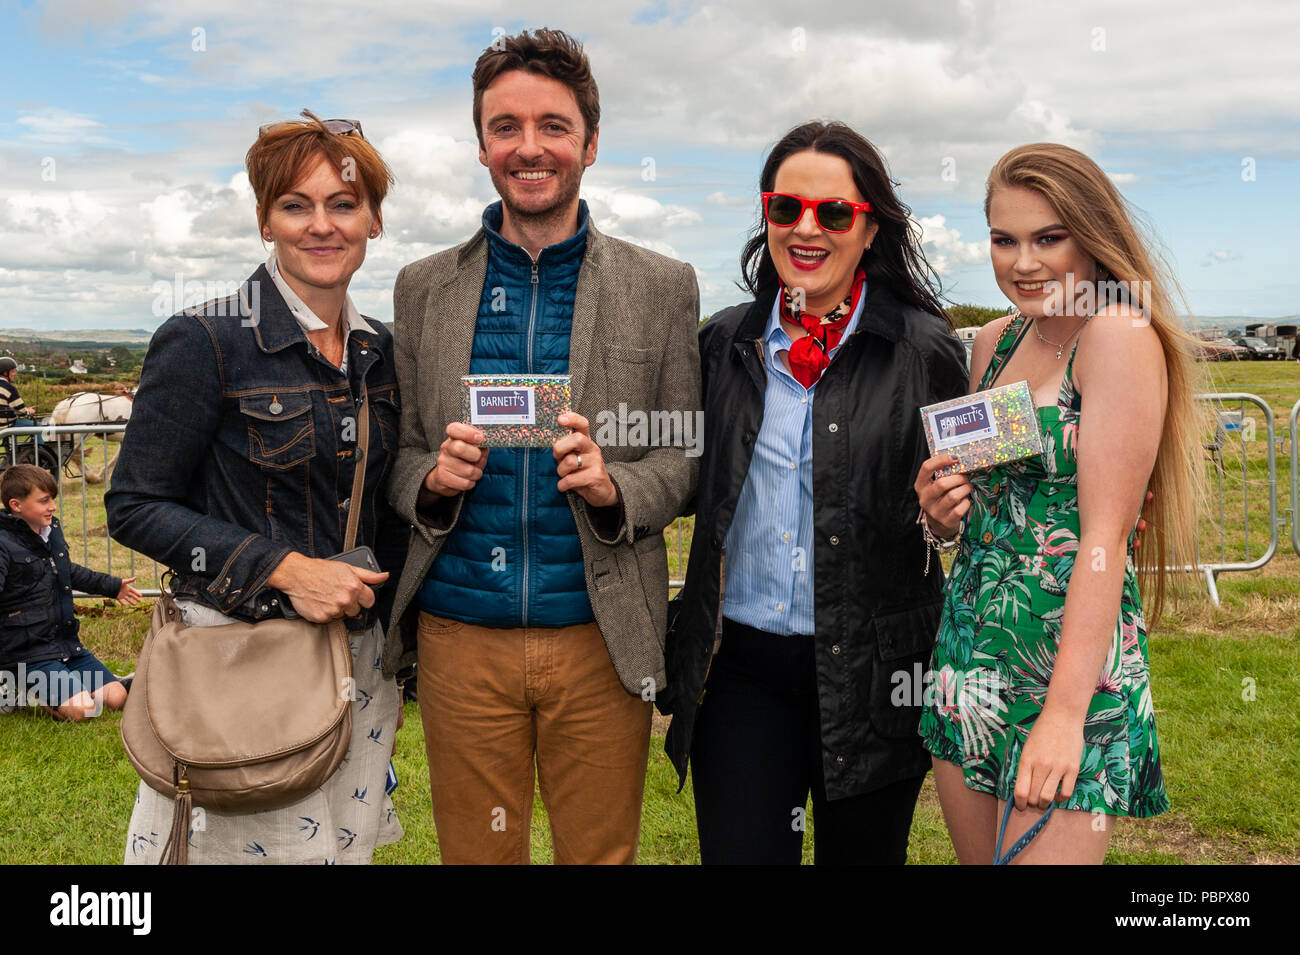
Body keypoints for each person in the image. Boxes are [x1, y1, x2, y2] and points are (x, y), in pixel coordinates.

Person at [385, 28, 701, 865]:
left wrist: (616, 487)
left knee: (600, 856)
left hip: (601, 634)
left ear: (591, 145)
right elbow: (400, 453)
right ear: (482, 144)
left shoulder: (662, 284)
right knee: (477, 857)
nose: (531, 147)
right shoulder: (422, 287)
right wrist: (431, 479)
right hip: (460, 634)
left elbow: (687, 453)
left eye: (554, 126)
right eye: (507, 126)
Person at [660, 121, 968, 864]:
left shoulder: (924, 349)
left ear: (870, 228)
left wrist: (944, 523)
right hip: (738, 674)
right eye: (785, 207)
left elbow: (969, 505)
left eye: (834, 213)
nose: (807, 228)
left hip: (876, 673)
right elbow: (673, 475)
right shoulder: (722, 344)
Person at [106, 111, 409, 865]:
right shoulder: (207, 337)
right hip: (242, 659)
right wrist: (282, 567)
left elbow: (385, 496)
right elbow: (133, 504)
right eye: (295, 205)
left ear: (373, 218)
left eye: (343, 204)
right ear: (264, 220)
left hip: (359, 666)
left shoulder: (381, 350)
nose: (322, 225)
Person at [915, 143, 1203, 864]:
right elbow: (987, 511)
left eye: (1049, 237)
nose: (1023, 262)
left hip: (1070, 669)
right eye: (1004, 240)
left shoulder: (1118, 337)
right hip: (971, 653)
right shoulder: (993, 341)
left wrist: (1064, 714)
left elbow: (1104, 540)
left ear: (1092, 232)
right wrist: (940, 514)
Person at [0, 464, 141, 720]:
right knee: (83, 710)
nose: (52, 506)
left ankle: (66, 683)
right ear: (16, 505)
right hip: (26, 653)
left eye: (52, 499)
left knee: (116, 698)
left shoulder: (51, 531)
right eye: (44, 501)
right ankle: (14, 689)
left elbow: (66, 570)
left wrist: (112, 586)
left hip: (65, 645)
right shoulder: (2, 543)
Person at [0, 357, 35, 430]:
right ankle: (39, 442)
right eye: (13, 371)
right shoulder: (9, 388)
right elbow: (21, 411)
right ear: (5, 373)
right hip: (7, 425)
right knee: (38, 426)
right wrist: (29, 411)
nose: (15, 374)